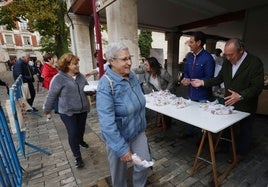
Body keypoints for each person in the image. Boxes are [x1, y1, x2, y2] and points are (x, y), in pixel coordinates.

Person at [191, 38, 264, 161]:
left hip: (246, 104)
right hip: (228, 103)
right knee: (226, 128)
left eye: (231, 55)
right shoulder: (227, 61)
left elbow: (257, 87)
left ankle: (240, 153)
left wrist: (241, 95)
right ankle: (224, 146)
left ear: (241, 51)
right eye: (226, 55)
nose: (228, 58)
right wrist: (202, 82)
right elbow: (219, 78)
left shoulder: (254, 62)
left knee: (245, 130)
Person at [96, 42, 152, 187]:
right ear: (111, 61)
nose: (129, 63)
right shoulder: (105, 84)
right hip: (118, 137)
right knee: (119, 176)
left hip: (138, 132)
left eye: (129, 58)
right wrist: (121, 148)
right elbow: (106, 122)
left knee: (144, 164)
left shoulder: (132, 75)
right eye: (124, 59)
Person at [43, 53, 91, 168]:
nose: (77, 66)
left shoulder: (81, 76)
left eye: (77, 63)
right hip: (68, 112)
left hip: (82, 109)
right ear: (67, 65)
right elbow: (51, 95)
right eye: (75, 64)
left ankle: (80, 140)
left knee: (80, 130)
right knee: (73, 132)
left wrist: (91, 91)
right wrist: (47, 108)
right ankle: (77, 157)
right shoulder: (58, 78)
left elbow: (86, 88)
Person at [180, 31, 215, 139]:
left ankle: (202, 138)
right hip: (191, 92)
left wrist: (199, 82)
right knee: (190, 114)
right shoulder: (189, 56)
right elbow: (186, 71)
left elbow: (210, 78)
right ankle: (189, 132)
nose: (189, 44)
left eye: (191, 42)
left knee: (201, 117)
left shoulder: (208, 58)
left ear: (199, 42)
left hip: (203, 95)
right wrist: (185, 78)